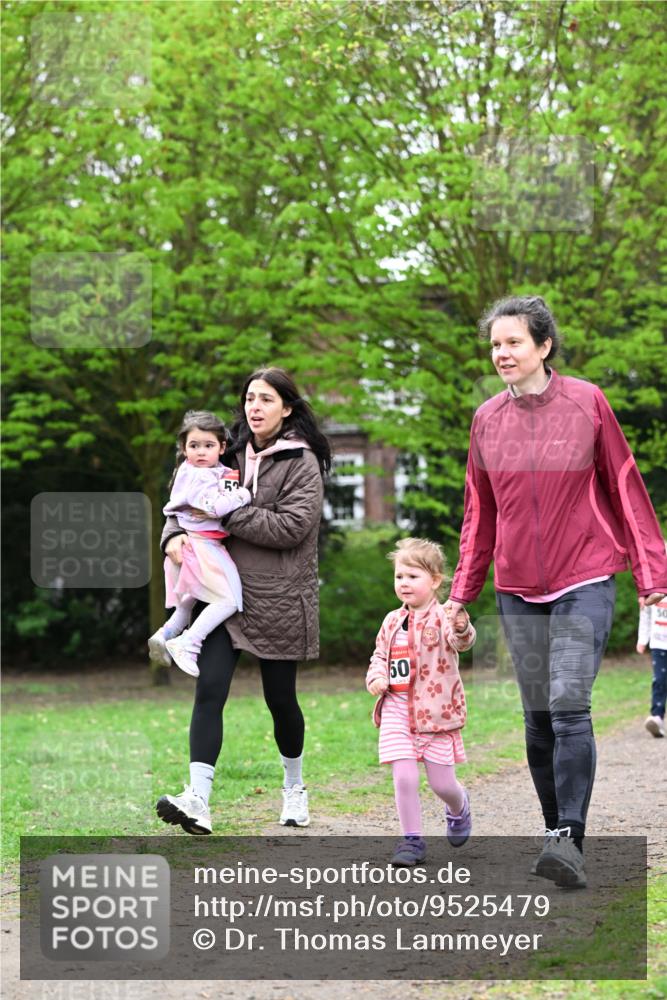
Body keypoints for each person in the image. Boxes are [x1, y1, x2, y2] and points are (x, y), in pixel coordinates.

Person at [446, 295, 667, 888]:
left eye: (513, 342)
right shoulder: (487, 419)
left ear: (543, 346)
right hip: (517, 587)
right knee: (539, 718)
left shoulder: (587, 403)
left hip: (584, 577)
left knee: (570, 706)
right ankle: (555, 838)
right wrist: (460, 593)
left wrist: (653, 575)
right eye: (495, 344)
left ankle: (570, 835)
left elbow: (625, 486)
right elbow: (479, 511)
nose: (501, 353)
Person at [155, 368, 331, 835]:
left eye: (266, 399)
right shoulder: (226, 449)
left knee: (281, 701)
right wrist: (172, 536)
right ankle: (197, 799)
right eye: (250, 398)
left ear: (286, 408)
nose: (254, 407)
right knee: (209, 690)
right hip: (220, 592)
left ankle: (294, 787)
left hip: (278, 596)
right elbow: (183, 501)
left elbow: (292, 528)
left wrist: (229, 512)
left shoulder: (301, 462)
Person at [366, 538, 476, 866]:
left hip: (436, 714)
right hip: (397, 709)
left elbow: (463, 641)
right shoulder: (390, 621)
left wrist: (461, 626)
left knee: (442, 784)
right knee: (404, 777)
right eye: (400, 576)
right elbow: (379, 655)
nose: (404, 583)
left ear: (435, 581)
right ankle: (411, 841)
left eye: (413, 576)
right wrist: (376, 678)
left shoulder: (444, 616)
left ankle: (459, 807)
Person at [148, 410, 252, 678]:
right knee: (230, 600)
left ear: (222, 447)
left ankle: (166, 634)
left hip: (191, 547)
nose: (201, 452)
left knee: (187, 603)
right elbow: (216, 508)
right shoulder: (198, 475)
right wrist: (243, 494)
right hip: (204, 547)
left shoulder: (194, 471)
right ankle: (189, 643)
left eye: (208, 445)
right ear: (184, 448)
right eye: (194, 446)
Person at [637, 544, 667, 737]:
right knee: (660, 680)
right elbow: (646, 616)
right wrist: (642, 639)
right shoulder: (652, 589)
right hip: (658, 642)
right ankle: (656, 717)